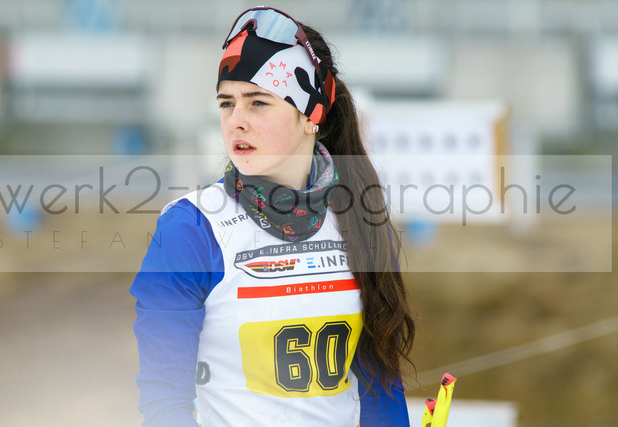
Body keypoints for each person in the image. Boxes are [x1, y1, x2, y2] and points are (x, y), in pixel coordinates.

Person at [130, 6, 416, 426]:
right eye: (227, 104)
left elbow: (382, 395)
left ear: (311, 115)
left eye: (258, 103)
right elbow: (163, 405)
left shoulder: (359, 218)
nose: (236, 122)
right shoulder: (191, 229)